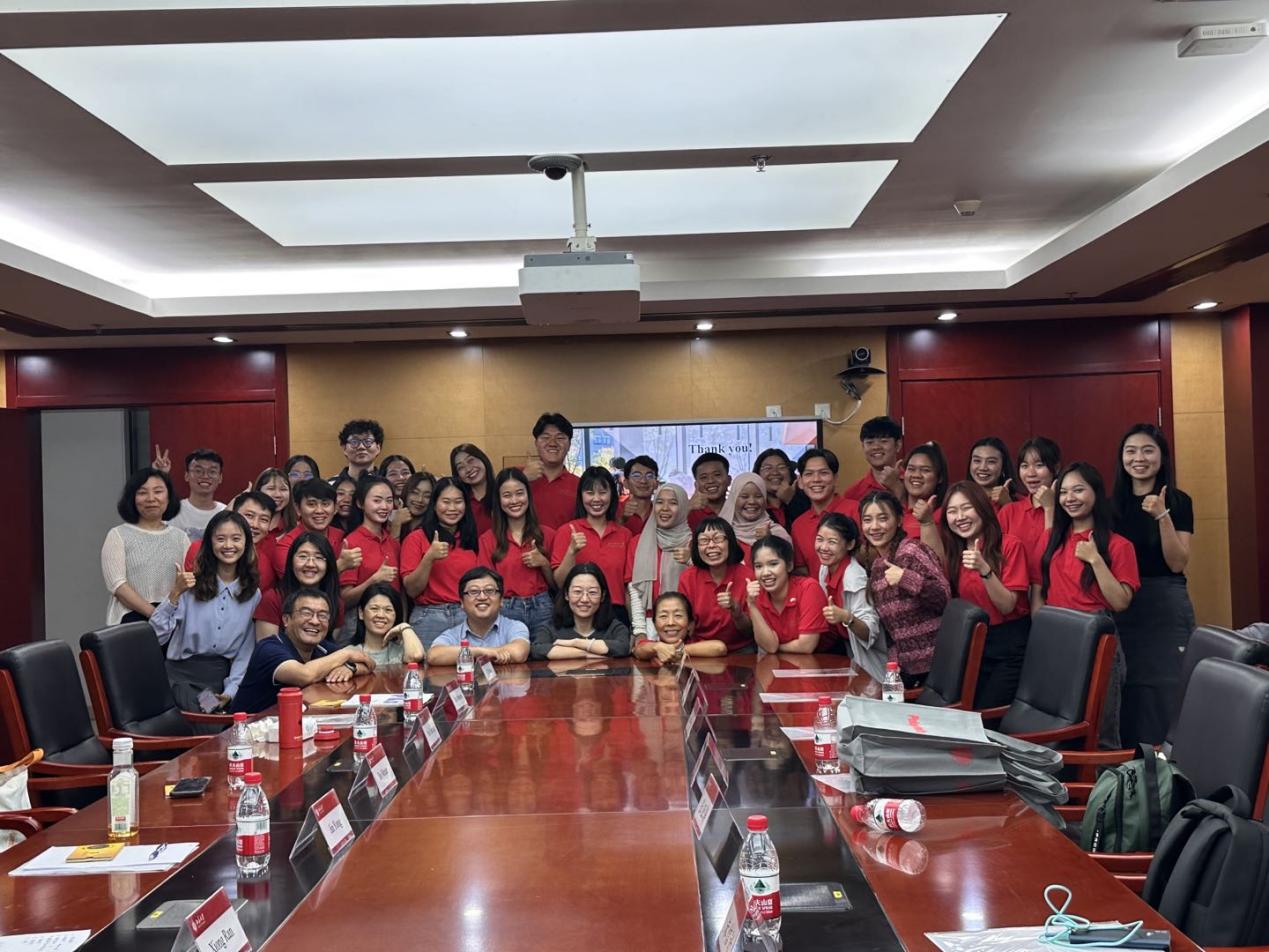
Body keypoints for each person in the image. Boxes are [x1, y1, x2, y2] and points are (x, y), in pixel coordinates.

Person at [1039, 462, 1140, 747]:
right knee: (1056, 726)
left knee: (1102, 728)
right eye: (1064, 492)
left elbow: (1120, 602)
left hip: (1097, 637)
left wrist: (1095, 559)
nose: (1070, 498)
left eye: (1078, 490)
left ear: (1096, 493)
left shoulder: (1119, 545)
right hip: (1058, 637)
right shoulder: (1054, 540)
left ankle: (1104, 777)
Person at [1111, 424, 1194, 747]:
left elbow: (1177, 562)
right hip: (1122, 602)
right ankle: (1130, 764)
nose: (1139, 458)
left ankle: (1169, 763)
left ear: (1162, 457)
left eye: (1148, 450)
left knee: (1167, 686)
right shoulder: (1111, 505)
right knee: (1126, 684)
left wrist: (1162, 516)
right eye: (1131, 451)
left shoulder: (1178, 501)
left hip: (1164, 603)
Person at [150, 510, 261, 711]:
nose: (228, 545)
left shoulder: (252, 593)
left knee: (237, 715)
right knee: (209, 715)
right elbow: (156, 636)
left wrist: (230, 691)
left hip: (220, 679)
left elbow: (245, 653)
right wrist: (175, 594)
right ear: (209, 543)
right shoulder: (190, 586)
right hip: (180, 678)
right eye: (220, 539)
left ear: (246, 544)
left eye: (236, 539)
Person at [937, 481, 1031, 707]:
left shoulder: (1009, 545)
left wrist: (984, 569)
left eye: (966, 508)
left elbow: (1007, 605)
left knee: (985, 716)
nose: (960, 517)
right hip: (971, 644)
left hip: (1008, 646)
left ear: (982, 508)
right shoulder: (955, 552)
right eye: (952, 511)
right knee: (960, 711)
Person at [231, 589, 376, 714]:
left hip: (290, 724)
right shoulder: (269, 648)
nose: (315, 621)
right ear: (286, 620)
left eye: (323, 615)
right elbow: (304, 675)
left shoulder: (322, 647)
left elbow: (369, 664)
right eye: (306, 613)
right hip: (249, 730)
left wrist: (351, 668)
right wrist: (347, 654)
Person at [859, 490, 950, 688]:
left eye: (883, 518)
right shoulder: (877, 567)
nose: (874, 526)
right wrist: (894, 667)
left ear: (899, 520)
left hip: (939, 666)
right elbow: (893, 631)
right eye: (867, 520)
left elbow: (944, 597)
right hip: (907, 672)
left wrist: (905, 578)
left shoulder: (912, 551)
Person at [102, 467, 190, 624]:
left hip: (174, 619)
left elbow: (188, 582)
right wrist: (157, 615)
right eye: (142, 493)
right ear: (132, 498)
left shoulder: (181, 538)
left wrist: (166, 615)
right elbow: (118, 585)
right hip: (130, 621)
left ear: (169, 497)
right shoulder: (118, 535)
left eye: (158, 491)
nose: (151, 498)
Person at [401, 476, 481, 647]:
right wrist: (429, 558)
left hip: (467, 615)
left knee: (471, 664)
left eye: (458, 502)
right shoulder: (416, 538)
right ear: (434, 504)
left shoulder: (472, 539)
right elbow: (412, 590)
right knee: (427, 665)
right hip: (429, 618)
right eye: (446, 502)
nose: (452, 508)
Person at [550, 466, 634, 625]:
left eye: (602, 492)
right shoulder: (567, 531)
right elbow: (560, 583)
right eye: (590, 493)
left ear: (612, 495)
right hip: (577, 613)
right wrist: (572, 551)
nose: (596, 499)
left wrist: (636, 628)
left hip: (616, 614)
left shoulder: (625, 535)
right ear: (581, 496)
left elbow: (629, 588)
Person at [479, 468, 556, 634]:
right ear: (499, 500)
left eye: (520, 493)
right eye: (507, 495)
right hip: (505, 608)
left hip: (543, 607)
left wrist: (544, 563)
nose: (514, 500)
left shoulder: (548, 534)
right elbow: (485, 585)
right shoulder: (488, 539)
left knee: (545, 650)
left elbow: (558, 585)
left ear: (528, 495)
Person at [814, 512, 883, 670]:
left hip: (868, 660)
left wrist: (846, 617)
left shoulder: (855, 578)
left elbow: (870, 631)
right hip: (843, 649)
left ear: (850, 544)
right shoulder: (824, 568)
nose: (823, 547)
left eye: (832, 542)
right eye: (819, 539)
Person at [676, 517, 754, 653]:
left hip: (742, 650)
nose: (711, 545)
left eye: (718, 539)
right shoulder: (688, 577)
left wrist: (736, 611)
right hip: (700, 650)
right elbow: (685, 626)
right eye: (704, 540)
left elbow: (750, 631)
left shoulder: (748, 576)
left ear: (731, 542)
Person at [337, 476, 401, 642]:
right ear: (360, 503)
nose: (384, 506)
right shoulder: (351, 542)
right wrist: (374, 580)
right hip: (358, 628)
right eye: (377, 500)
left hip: (391, 626)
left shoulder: (393, 543)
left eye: (389, 500)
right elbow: (345, 599)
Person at [626, 484, 693, 640]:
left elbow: (703, 585)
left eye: (673, 503)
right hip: (648, 626)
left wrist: (691, 560)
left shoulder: (695, 544)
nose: (665, 508)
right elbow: (634, 590)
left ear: (683, 507)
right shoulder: (638, 543)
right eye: (659, 502)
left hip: (688, 627)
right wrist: (640, 631)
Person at [429, 567, 531, 665]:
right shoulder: (453, 634)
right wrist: (481, 652)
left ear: (501, 600)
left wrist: (467, 653)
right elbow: (433, 656)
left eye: (489, 591)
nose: (482, 597)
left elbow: (519, 652)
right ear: (462, 603)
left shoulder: (514, 627)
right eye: (474, 591)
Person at [745, 535, 829, 654]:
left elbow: (807, 646)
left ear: (789, 566)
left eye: (773, 564)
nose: (765, 573)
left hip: (824, 659)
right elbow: (770, 647)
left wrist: (778, 648)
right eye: (758, 566)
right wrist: (751, 605)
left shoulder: (808, 588)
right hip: (781, 662)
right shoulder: (757, 595)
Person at [530, 563, 632, 660]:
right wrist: (586, 654)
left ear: (603, 596)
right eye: (577, 592)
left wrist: (576, 643)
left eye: (592, 592)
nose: (584, 599)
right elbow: (537, 650)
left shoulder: (614, 628)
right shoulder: (550, 629)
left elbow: (623, 647)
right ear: (566, 594)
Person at [999, 436, 1061, 597]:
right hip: (1015, 597)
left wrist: (1050, 508)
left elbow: (1055, 557)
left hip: (1054, 595)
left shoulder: (1068, 510)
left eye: (1039, 465)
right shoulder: (1009, 511)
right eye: (1024, 466)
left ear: (1056, 468)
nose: (1031, 473)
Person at [254, 531, 345, 640]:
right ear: (291, 561)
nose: (310, 564)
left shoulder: (335, 603)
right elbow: (266, 648)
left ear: (328, 564)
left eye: (319, 557)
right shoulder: (273, 599)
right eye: (303, 556)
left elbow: (329, 645)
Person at [184, 490, 278, 593]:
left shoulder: (264, 565)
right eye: (249, 515)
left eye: (264, 519)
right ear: (233, 514)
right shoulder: (199, 550)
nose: (255, 525)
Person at [789, 448, 858, 573]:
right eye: (809, 474)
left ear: (835, 478)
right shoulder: (798, 525)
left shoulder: (855, 510)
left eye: (824, 473)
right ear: (800, 482)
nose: (816, 479)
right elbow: (802, 570)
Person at [270, 478, 350, 577]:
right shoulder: (286, 546)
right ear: (298, 509)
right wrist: (340, 566)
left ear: (335, 508)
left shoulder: (342, 537)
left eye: (325, 504)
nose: (319, 511)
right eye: (311, 504)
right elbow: (297, 583)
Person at [633, 591, 727, 665]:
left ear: (690, 624)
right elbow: (639, 650)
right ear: (654, 624)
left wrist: (677, 651)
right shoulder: (655, 647)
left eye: (678, 616)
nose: (670, 623)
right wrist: (656, 648)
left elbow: (720, 648)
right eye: (663, 616)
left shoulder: (695, 643)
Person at [157, 448, 227, 543]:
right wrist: (160, 475)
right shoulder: (173, 510)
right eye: (198, 471)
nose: (205, 476)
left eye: (212, 472)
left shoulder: (225, 512)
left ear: (220, 478)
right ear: (186, 475)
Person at [525, 412, 580, 530]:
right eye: (545, 437)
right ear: (536, 443)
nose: (552, 443)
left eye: (560, 438)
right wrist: (522, 479)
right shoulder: (516, 477)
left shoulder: (580, 485)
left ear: (569, 445)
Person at [718, 471, 792, 558]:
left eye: (758, 496)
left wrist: (771, 540)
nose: (752, 502)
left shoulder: (777, 532)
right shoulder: (721, 532)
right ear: (733, 499)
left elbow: (788, 561)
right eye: (744, 496)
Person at [351, 582, 423, 666]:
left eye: (388, 610)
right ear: (361, 613)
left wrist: (404, 626)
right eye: (374, 608)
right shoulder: (350, 653)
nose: (381, 615)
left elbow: (415, 656)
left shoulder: (403, 651)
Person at [842, 416, 905, 505]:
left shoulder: (914, 483)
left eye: (883, 441)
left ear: (898, 445)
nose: (876, 447)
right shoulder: (853, 494)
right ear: (863, 447)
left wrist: (897, 487)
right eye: (870, 442)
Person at [753, 448, 811, 529]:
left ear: (790, 473)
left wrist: (791, 500)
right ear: (757, 474)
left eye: (781, 467)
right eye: (768, 468)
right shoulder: (753, 505)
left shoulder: (808, 499)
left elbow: (812, 527)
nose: (775, 472)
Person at [902, 442, 948, 542]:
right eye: (911, 469)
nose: (916, 475)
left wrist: (927, 522)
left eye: (925, 470)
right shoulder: (895, 511)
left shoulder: (944, 515)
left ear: (939, 477)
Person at [451, 443, 496, 537]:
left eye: (470, 460)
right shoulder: (459, 502)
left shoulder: (502, 493)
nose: (468, 469)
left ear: (483, 459)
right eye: (460, 467)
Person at [967, 437, 1021, 509]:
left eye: (991, 462)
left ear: (1003, 466)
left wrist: (1007, 504)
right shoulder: (959, 498)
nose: (982, 468)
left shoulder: (1021, 501)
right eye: (977, 461)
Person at [687, 453, 732, 531]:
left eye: (717, 475)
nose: (711, 481)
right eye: (704, 477)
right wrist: (688, 508)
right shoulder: (688, 513)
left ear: (729, 480)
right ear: (696, 484)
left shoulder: (738, 510)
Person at [331, 419, 384, 483]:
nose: (361, 447)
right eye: (354, 442)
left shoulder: (387, 484)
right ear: (344, 448)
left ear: (378, 447)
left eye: (368, 441)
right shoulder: (331, 485)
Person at [619, 455, 659, 536]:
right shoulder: (613, 509)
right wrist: (623, 519)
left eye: (649, 476)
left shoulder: (661, 511)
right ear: (626, 483)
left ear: (656, 484)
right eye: (636, 476)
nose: (643, 481)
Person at [395, 470, 436, 540]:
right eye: (415, 492)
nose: (420, 499)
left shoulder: (434, 531)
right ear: (406, 493)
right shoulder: (389, 523)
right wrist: (396, 525)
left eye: (427, 496)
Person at [255, 467, 295, 535]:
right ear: (258, 491)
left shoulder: (295, 530)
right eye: (271, 488)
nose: (278, 495)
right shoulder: (247, 524)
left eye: (283, 489)